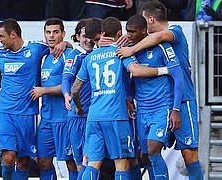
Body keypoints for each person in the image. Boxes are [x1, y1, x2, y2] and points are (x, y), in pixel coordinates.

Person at [71, 17, 174, 180]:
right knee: (122, 163)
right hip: (116, 117)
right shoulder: (121, 52)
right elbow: (137, 70)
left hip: (94, 117)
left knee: (92, 164)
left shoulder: (90, 57)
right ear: (119, 33)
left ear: (103, 34)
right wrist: (165, 70)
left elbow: (75, 89)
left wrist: (78, 106)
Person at [116, 1, 204, 180]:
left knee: (189, 154)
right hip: (159, 104)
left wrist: (131, 48)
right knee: (147, 153)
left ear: (150, 19)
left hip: (183, 100)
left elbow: (158, 37)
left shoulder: (175, 32)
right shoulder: (145, 44)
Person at [0, 18, 51, 180]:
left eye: (2, 36)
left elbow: (56, 46)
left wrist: (65, 44)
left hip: (27, 113)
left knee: (23, 160)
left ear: (13, 35)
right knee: (9, 156)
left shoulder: (36, 49)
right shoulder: (0, 53)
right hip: (5, 111)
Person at [125, 14, 184, 180]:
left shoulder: (162, 46)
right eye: (127, 31)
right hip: (142, 110)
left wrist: (176, 109)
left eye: (132, 31)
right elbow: (132, 78)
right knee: (145, 155)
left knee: (152, 149)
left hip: (162, 107)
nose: (129, 35)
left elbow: (178, 77)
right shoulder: (131, 50)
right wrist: (129, 99)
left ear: (144, 31)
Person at [29, 18, 78, 180]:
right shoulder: (43, 56)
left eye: (56, 32)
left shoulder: (70, 54)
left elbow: (70, 86)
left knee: (70, 161)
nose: (51, 36)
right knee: (43, 161)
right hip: (46, 119)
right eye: (48, 32)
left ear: (63, 34)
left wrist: (44, 90)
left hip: (64, 118)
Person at [61, 18, 94, 178]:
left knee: (96, 159)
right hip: (78, 115)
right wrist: (67, 95)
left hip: (96, 115)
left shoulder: (100, 53)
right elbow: (66, 78)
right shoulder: (75, 55)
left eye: (91, 35)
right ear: (77, 37)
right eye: (84, 36)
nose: (88, 39)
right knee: (80, 161)